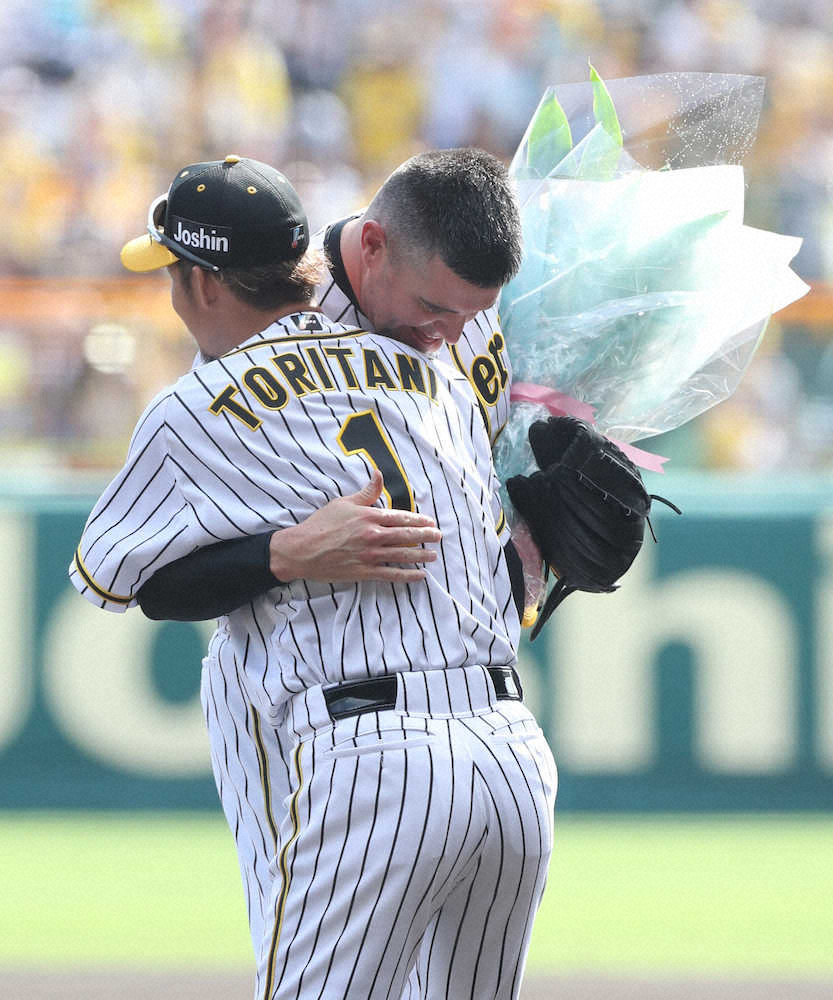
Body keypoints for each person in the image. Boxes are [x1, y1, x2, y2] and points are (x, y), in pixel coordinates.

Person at [70, 155, 556, 1000]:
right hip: (513, 754)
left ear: (203, 285)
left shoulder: (197, 408)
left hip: (375, 755)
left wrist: (277, 554)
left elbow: (120, 582)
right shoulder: (424, 373)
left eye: (175, 277)